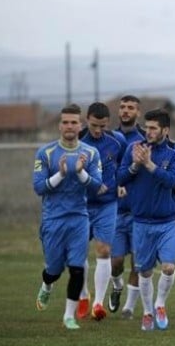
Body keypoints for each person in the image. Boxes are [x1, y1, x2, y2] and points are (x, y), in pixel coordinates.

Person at [33, 104, 103, 330]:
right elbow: (39, 188)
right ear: (60, 125)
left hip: (79, 219)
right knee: (54, 270)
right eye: (66, 122)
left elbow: (96, 186)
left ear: (80, 125)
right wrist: (61, 174)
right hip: (53, 220)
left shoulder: (91, 153)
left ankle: (69, 316)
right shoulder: (46, 153)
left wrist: (81, 171)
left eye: (74, 122)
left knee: (77, 268)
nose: (70, 126)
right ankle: (47, 284)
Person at [117, 108, 175, 331]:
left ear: (165, 130)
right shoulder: (133, 149)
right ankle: (147, 312)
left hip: (166, 223)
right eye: (146, 127)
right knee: (144, 271)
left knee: (168, 267)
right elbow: (119, 178)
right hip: (141, 223)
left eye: (153, 128)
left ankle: (160, 304)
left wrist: (149, 165)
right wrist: (136, 164)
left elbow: (172, 180)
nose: (148, 131)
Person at [77, 102, 127, 321]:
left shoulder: (118, 141)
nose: (98, 130)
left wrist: (123, 183)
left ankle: (98, 303)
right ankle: (83, 295)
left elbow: (124, 168)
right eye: (95, 125)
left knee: (104, 250)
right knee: (78, 253)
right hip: (80, 205)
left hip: (108, 204)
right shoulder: (76, 141)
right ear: (87, 119)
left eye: (103, 126)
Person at [109, 95, 146, 319]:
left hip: (138, 212)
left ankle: (129, 308)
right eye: (122, 107)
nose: (125, 110)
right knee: (115, 261)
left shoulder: (144, 140)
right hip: (115, 211)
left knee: (138, 262)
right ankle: (116, 285)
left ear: (138, 112)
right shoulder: (110, 139)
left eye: (130, 107)